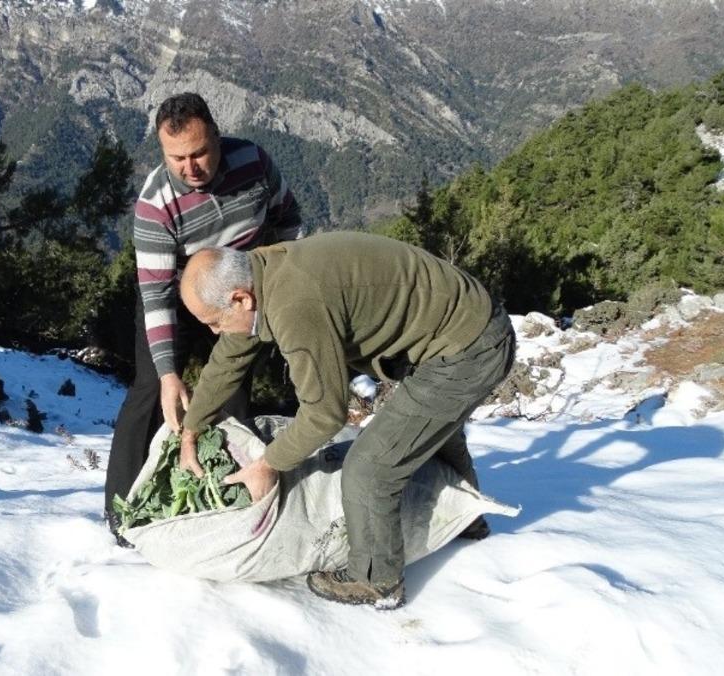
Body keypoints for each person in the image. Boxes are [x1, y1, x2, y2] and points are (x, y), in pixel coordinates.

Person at [177, 232, 515, 609]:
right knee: (430, 432)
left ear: (241, 299)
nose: (214, 331)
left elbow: (324, 414)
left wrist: (268, 465)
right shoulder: (261, 274)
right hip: (460, 328)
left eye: (213, 321)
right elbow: (229, 357)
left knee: (369, 468)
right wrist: (192, 428)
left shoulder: (294, 305)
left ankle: (376, 580)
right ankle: (467, 519)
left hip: (468, 347)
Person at [103, 93, 303, 542]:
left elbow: (288, 217)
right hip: (174, 293)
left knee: (233, 387)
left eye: (198, 153)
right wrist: (170, 372)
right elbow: (154, 295)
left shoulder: (253, 161)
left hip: (236, 287)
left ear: (217, 136)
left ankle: (235, 498)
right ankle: (121, 516)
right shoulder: (155, 204)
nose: (189, 167)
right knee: (151, 390)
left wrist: (282, 276)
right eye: (176, 158)